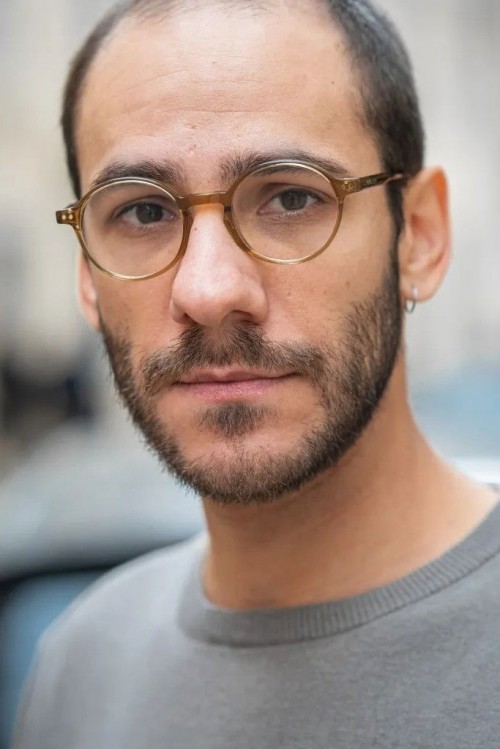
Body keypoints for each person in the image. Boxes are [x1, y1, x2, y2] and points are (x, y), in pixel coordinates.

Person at [14, 0, 500, 746]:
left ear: (421, 237)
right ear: (87, 276)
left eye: (291, 196)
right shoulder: (80, 670)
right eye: (142, 213)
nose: (209, 291)